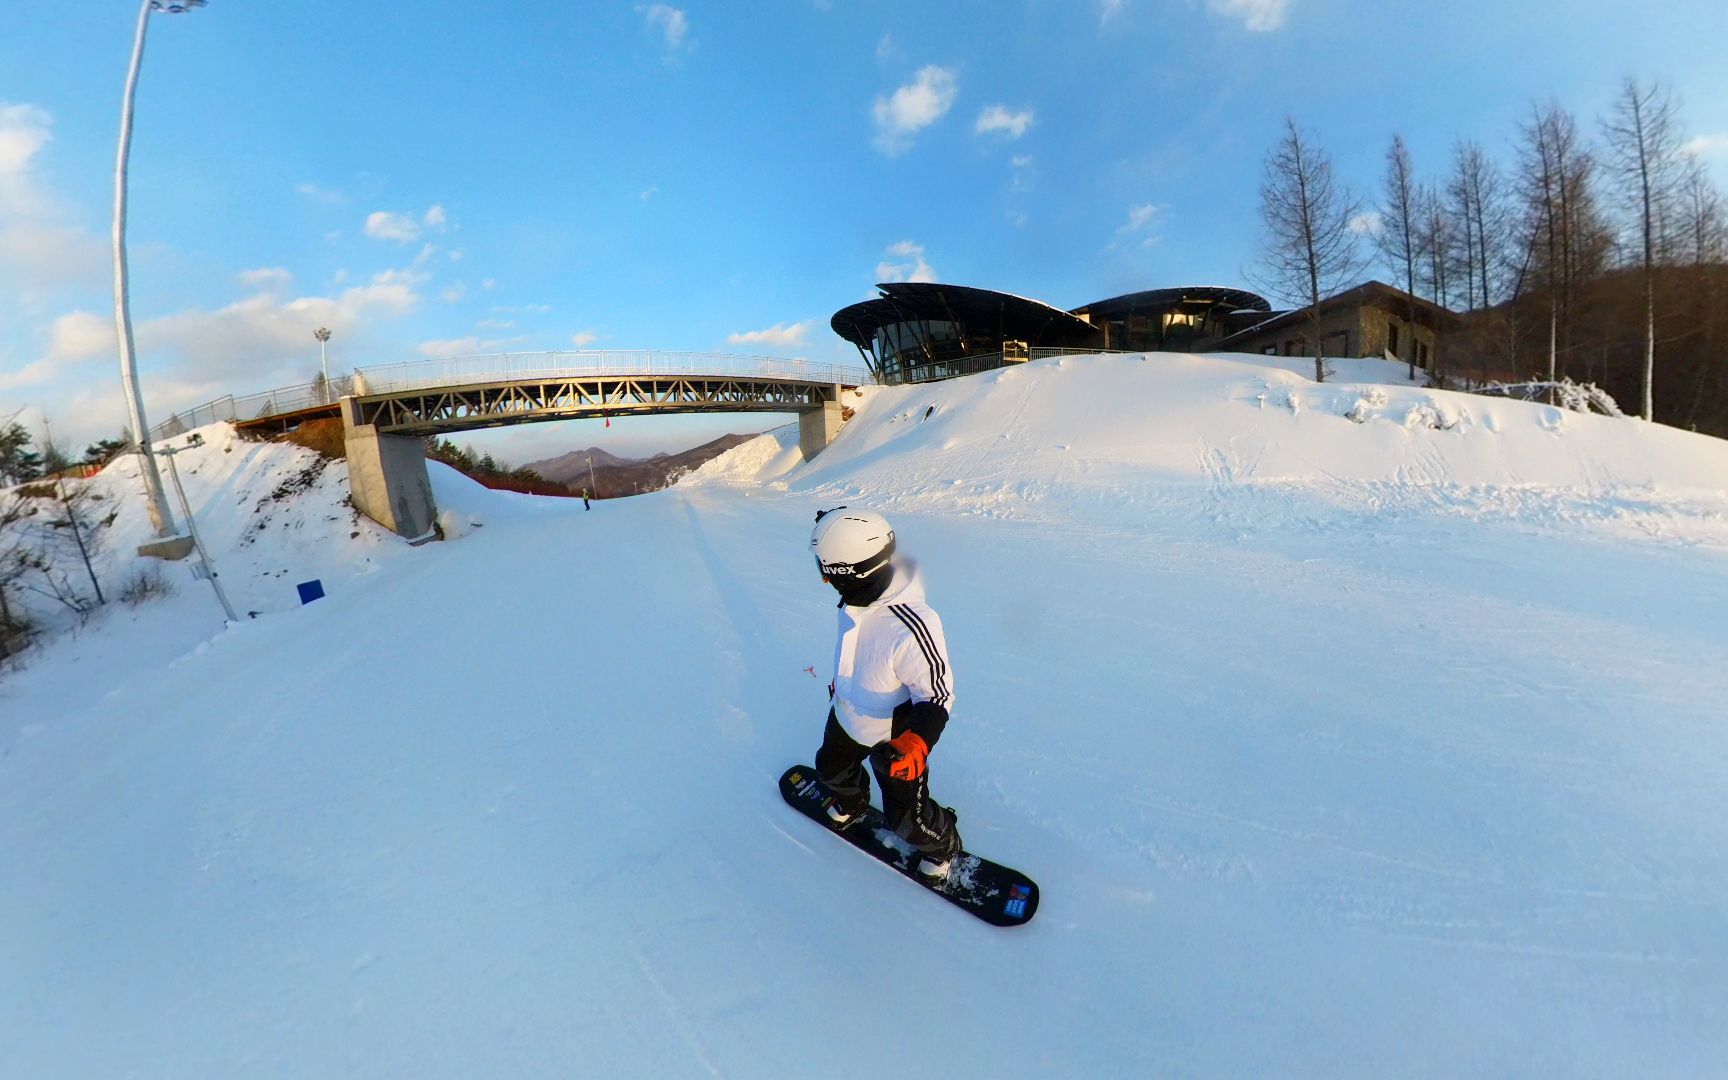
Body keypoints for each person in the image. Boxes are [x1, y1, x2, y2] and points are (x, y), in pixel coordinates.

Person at [809, 507, 963, 879]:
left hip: (895, 738)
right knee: (829, 769)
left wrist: (918, 742)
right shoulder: (859, 598)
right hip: (847, 715)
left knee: (906, 821)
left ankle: (943, 845)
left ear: (854, 573)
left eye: (827, 571)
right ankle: (854, 800)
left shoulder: (912, 625)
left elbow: (938, 694)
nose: (826, 582)